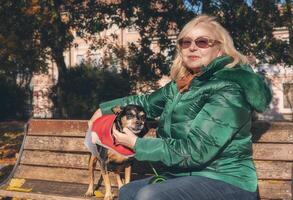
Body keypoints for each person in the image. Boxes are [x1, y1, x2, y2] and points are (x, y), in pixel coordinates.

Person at [88, 14, 271, 200]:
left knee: (149, 196)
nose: (192, 47)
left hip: (227, 179)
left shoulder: (230, 89)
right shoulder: (182, 85)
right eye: (185, 42)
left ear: (220, 50)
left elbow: (196, 150)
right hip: (182, 176)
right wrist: (103, 110)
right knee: (128, 192)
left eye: (202, 42)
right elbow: (146, 103)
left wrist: (137, 144)